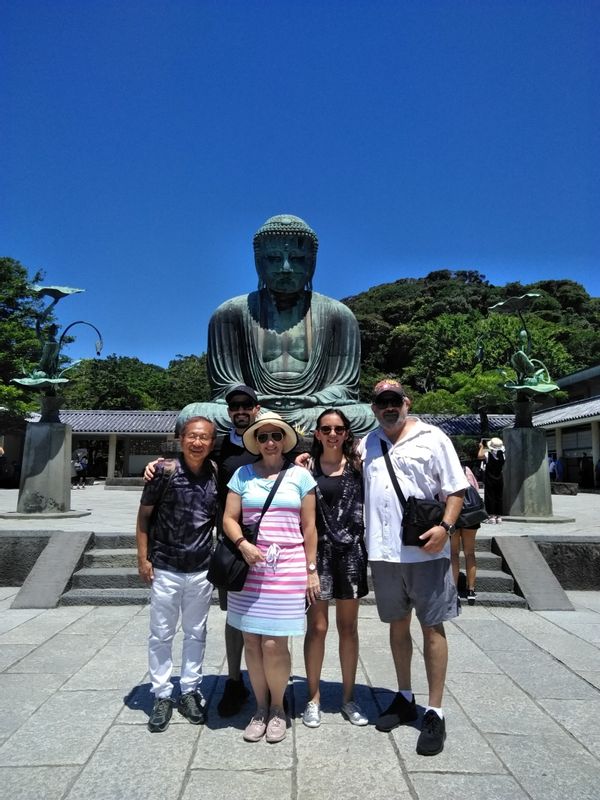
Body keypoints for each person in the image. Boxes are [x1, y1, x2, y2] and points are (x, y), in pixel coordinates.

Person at [176, 214, 375, 436]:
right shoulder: (230, 313)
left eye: (297, 258)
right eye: (274, 258)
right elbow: (225, 386)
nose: (286, 267)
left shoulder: (338, 315)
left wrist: (315, 399)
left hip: (314, 410)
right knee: (191, 415)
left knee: (369, 417)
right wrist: (254, 399)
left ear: (312, 262)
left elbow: (345, 387)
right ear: (258, 262)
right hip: (255, 410)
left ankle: (273, 428)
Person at [359, 379, 468, 756]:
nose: (389, 407)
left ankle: (435, 711)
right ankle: (404, 696)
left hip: (426, 550)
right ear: (373, 407)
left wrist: (447, 528)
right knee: (397, 624)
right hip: (384, 551)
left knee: (432, 626)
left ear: (406, 402)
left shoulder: (434, 437)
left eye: (394, 401)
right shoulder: (368, 442)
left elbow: (455, 490)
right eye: (381, 402)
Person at [144, 384, 262, 718]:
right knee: (223, 617)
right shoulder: (218, 450)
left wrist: (302, 452)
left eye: (247, 405)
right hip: (225, 545)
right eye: (234, 405)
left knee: (211, 626)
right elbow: (147, 514)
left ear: (257, 408)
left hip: (258, 547)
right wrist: (157, 465)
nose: (240, 410)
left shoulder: (273, 438)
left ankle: (265, 685)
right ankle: (209, 686)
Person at [222, 412, 319, 743]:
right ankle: (259, 707)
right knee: (251, 639)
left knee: (275, 642)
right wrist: (243, 544)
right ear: (256, 442)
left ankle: (278, 707)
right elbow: (229, 518)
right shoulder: (242, 475)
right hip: (249, 567)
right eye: (262, 437)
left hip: (287, 566)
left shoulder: (301, 477)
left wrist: (311, 569)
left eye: (276, 436)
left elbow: (310, 527)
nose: (270, 442)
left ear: (285, 440)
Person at [136, 416, 219, 733]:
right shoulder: (163, 470)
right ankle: (161, 693)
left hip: (201, 568)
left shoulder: (215, 473)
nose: (198, 443)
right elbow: (144, 518)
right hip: (166, 567)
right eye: (192, 436)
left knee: (196, 631)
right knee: (161, 632)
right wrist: (143, 558)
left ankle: (189, 690)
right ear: (181, 438)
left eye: (205, 438)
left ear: (213, 442)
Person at [301, 409, 369, 729]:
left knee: (349, 628)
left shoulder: (359, 467)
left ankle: (348, 698)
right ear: (316, 433)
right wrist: (309, 566)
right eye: (326, 428)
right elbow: (304, 520)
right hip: (317, 555)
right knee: (317, 628)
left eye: (338, 429)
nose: (332, 434)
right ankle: (313, 698)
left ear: (346, 434)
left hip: (351, 554)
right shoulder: (305, 469)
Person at [450, 465, 481, 606]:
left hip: (454, 516)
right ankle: (471, 590)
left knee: (454, 554)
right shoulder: (466, 469)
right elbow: (475, 488)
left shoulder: (448, 470)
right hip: (471, 515)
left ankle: (454, 590)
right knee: (470, 553)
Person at [478, 438, 505, 524]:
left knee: (490, 497)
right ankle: (499, 517)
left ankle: (492, 516)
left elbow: (479, 456)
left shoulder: (487, 454)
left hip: (490, 478)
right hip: (499, 477)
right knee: (499, 497)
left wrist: (482, 447)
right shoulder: (503, 455)